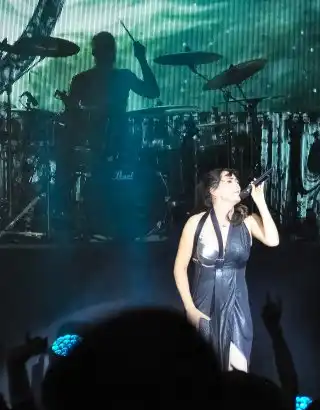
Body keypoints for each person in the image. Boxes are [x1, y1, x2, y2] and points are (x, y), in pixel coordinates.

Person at [173, 168, 280, 372]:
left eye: (237, 181)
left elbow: (273, 240)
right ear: (213, 191)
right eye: (229, 181)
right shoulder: (195, 223)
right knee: (205, 368)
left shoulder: (247, 221)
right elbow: (180, 268)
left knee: (238, 369)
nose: (237, 184)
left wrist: (260, 202)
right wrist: (190, 309)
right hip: (205, 303)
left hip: (237, 304)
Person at [54, 31, 159, 219]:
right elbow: (152, 92)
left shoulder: (82, 79)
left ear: (94, 53)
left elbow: (72, 116)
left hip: (99, 144)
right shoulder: (122, 76)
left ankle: (63, 211)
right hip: (113, 144)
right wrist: (142, 59)